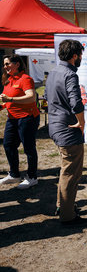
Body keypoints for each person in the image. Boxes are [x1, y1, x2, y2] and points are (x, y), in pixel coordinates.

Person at [45, 39, 87, 225]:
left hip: (55, 126)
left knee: (66, 170)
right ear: (75, 56)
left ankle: (62, 206)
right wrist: (81, 122)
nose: (81, 59)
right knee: (71, 173)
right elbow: (75, 102)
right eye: (80, 55)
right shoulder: (70, 74)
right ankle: (68, 215)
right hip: (68, 129)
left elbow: (47, 97)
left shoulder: (54, 71)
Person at [0, 54, 40, 189]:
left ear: (17, 64)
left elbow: (31, 98)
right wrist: (3, 105)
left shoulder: (25, 79)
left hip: (27, 118)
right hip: (13, 118)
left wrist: (9, 100)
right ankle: (14, 174)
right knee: (8, 145)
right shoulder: (8, 80)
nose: (5, 67)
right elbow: (7, 100)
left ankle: (32, 177)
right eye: (4, 64)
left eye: (7, 64)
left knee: (28, 147)